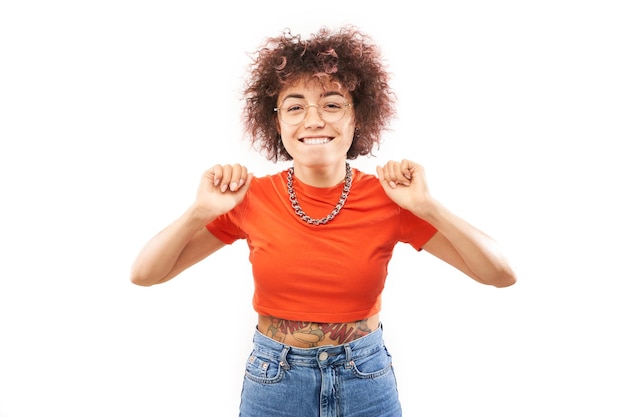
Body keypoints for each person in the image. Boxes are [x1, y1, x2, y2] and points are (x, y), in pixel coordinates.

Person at [130, 25, 516, 417]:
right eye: (295, 107)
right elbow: (145, 274)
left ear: (357, 118)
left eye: (332, 104)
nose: (313, 120)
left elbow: (500, 273)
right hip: (275, 381)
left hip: (365, 379)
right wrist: (199, 211)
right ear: (278, 124)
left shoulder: (391, 199)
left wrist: (428, 206)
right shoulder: (250, 198)